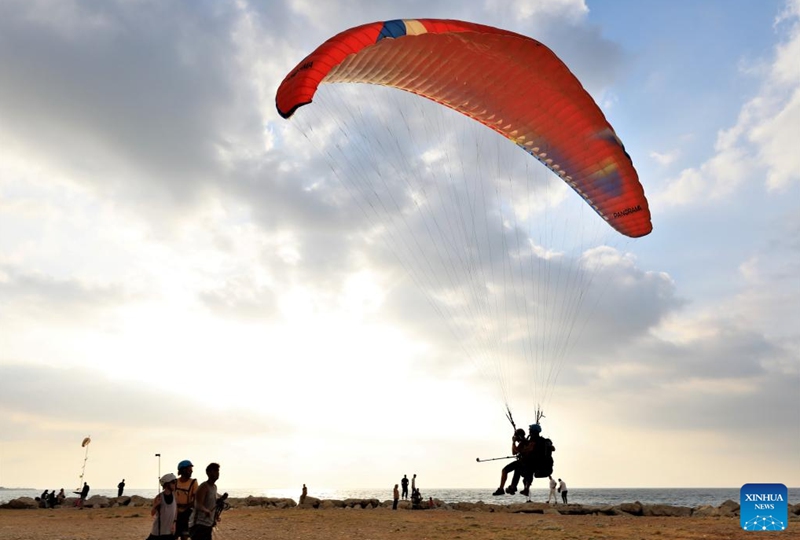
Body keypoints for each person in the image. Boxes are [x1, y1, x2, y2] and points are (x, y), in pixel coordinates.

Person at [189, 462, 221, 540]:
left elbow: (211, 503)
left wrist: (215, 516)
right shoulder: (203, 487)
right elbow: (197, 504)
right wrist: (205, 510)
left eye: (217, 471)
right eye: (215, 471)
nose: (217, 473)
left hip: (208, 524)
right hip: (199, 525)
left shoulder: (214, 487)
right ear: (208, 473)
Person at [492, 428, 526, 495]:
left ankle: (501, 489)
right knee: (517, 470)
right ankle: (513, 487)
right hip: (522, 463)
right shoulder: (525, 442)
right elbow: (515, 452)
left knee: (504, 470)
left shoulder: (523, 443)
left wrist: (513, 442)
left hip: (522, 463)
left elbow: (514, 452)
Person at [148, 473, 178, 540]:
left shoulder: (174, 495)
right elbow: (152, 513)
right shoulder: (159, 497)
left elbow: (175, 510)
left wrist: (174, 523)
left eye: (175, 482)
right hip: (157, 531)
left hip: (169, 531)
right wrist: (156, 505)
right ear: (167, 484)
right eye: (173, 482)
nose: (175, 484)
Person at [175, 460, 197, 540]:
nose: (191, 471)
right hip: (175, 513)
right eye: (189, 469)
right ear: (183, 470)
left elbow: (195, 500)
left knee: (185, 536)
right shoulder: (175, 482)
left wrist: (184, 508)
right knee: (173, 534)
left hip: (187, 513)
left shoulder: (193, 482)